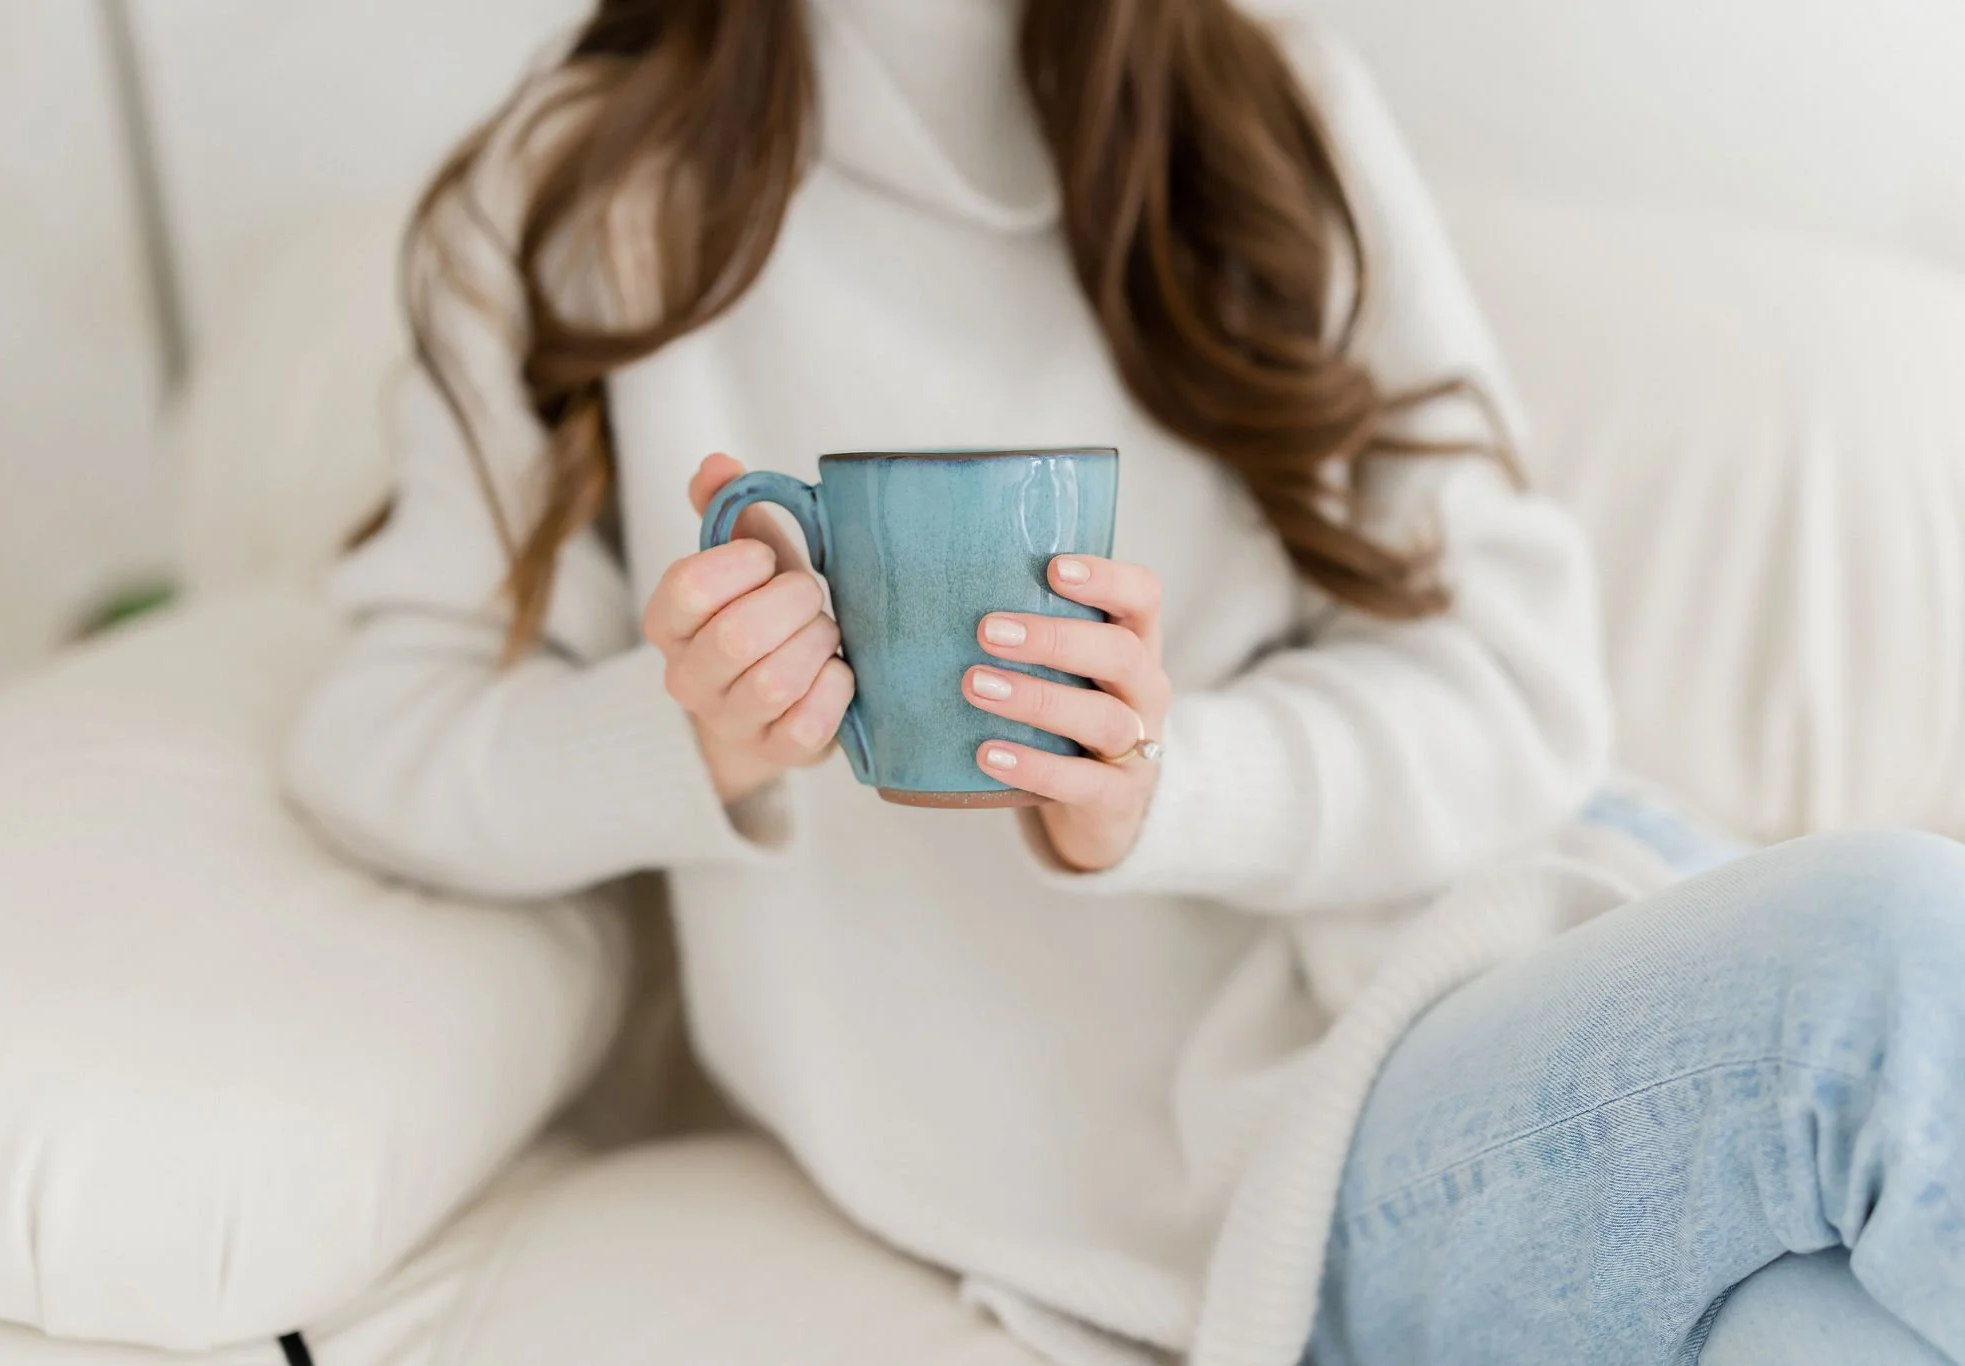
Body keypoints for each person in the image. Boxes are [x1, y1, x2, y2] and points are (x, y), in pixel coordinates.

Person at [285, 2, 1965, 1363]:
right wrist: (692, 736)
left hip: (1488, 972)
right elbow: (381, 733)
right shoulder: (576, 193)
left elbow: (1515, 689)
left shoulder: (1271, 111)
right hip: (1270, 1172)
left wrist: (1170, 783)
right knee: (1896, 946)